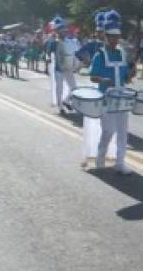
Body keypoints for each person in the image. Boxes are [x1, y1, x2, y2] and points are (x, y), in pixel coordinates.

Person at [89, 11, 133, 174]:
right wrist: (104, 81)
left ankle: (120, 162)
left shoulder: (122, 53)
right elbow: (93, 77)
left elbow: (126, 77)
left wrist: (130, 75)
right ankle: (100, 158)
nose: (115, 40)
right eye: (112, 37)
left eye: (117, 37)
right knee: (108, 130)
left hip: (121, 96)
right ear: (106, 37)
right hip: (106, 97)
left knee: (122, 130)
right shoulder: (100, 55)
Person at [46, 16, 79, 113]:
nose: (64, 32)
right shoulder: (54, 42)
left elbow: (75, 52)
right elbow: (48, 52)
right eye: (62, 30)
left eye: (65, 30)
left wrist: (77, 63)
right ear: (58, 31)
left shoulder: (70, 41)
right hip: (58, 69)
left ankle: (66, 100)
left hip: (69, 68)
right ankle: (60, 106)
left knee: (74, 88)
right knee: (59, 88)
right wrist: (48, 58)